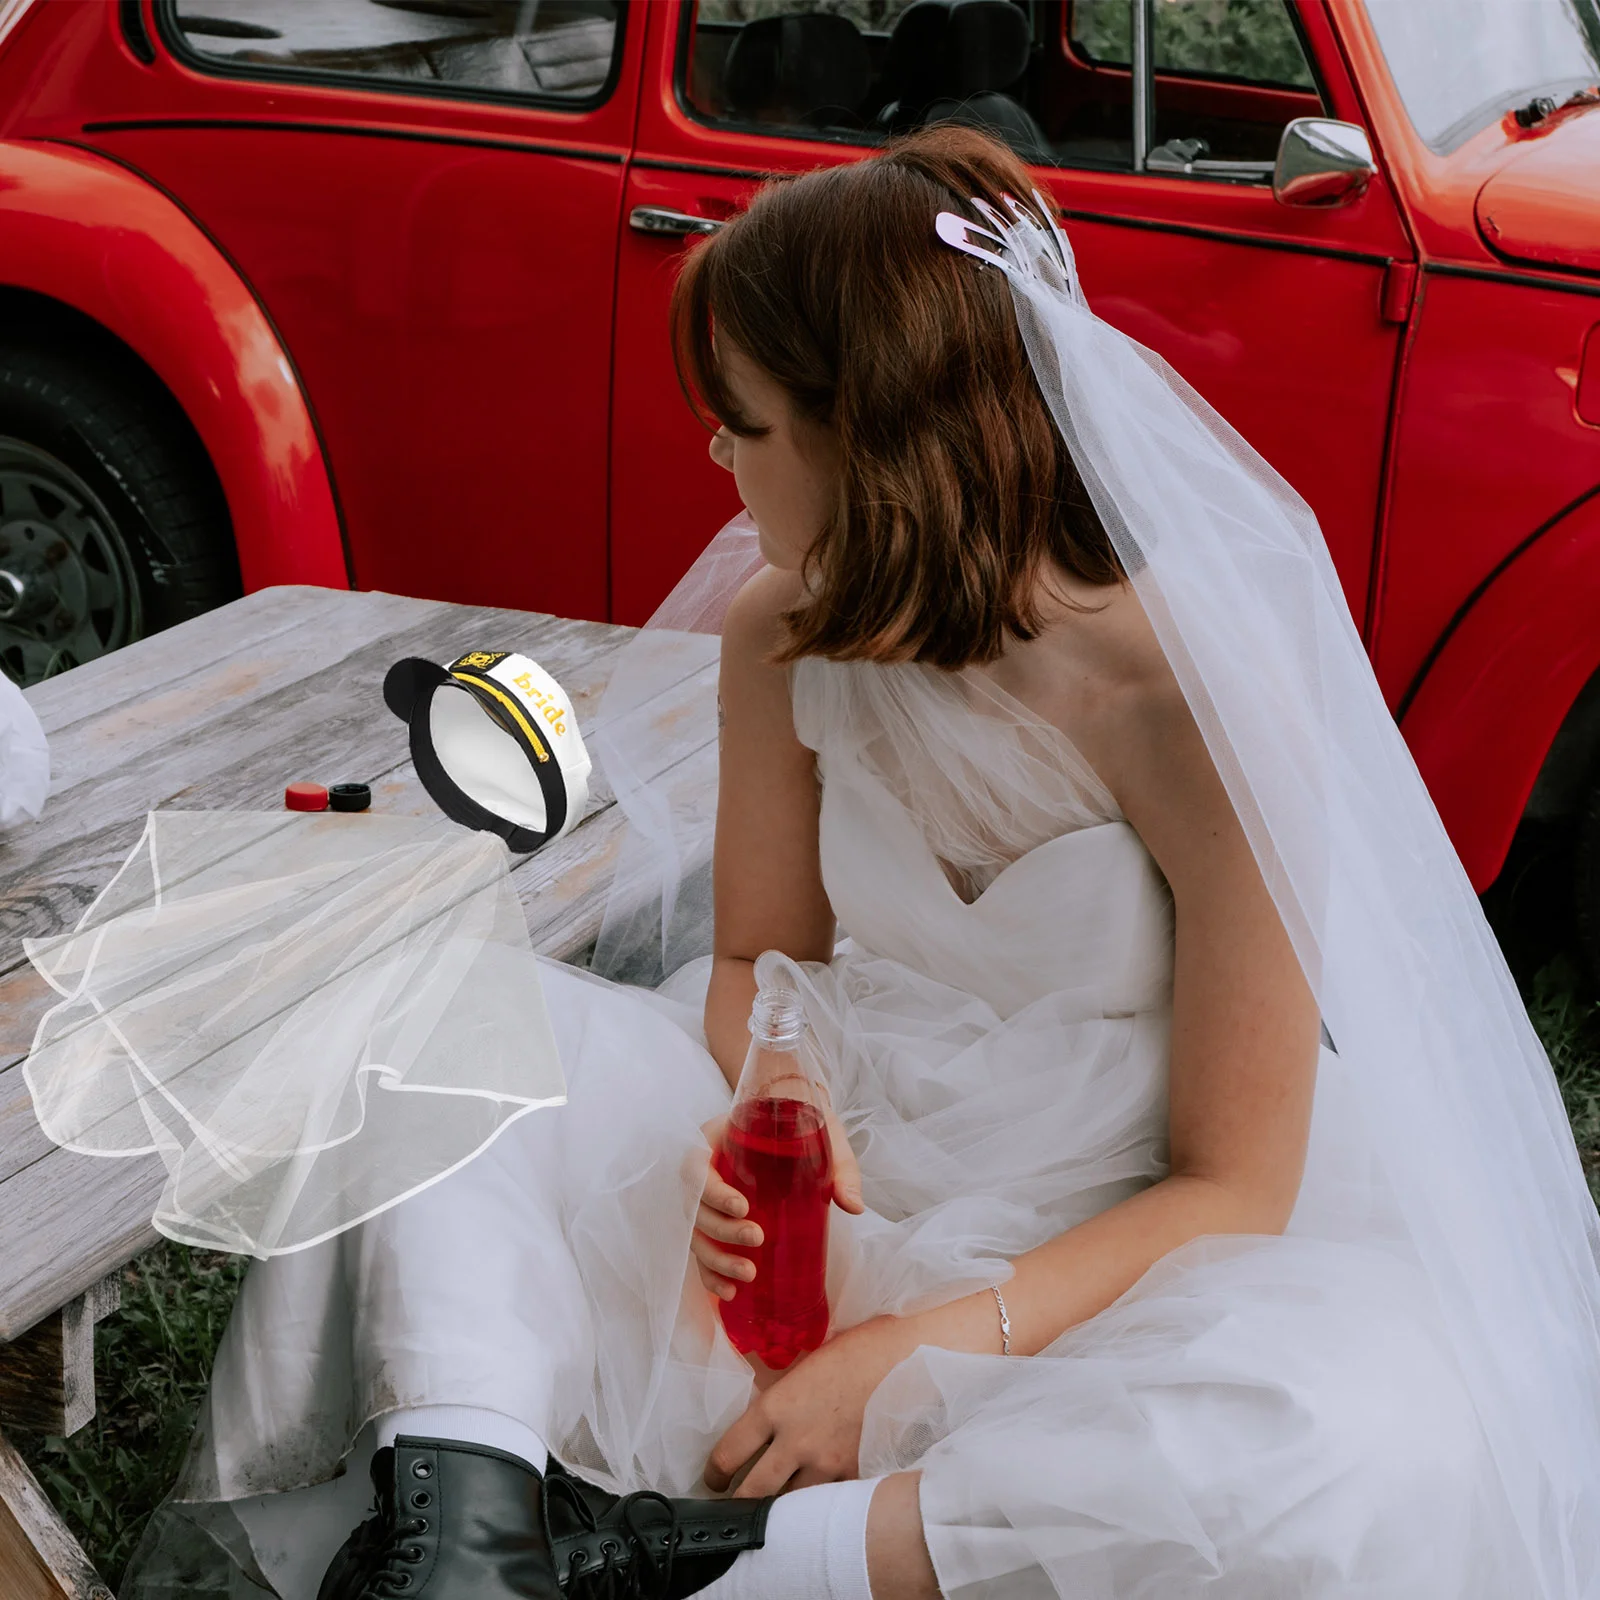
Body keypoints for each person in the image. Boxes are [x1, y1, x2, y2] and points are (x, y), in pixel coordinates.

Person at [124, 127, 1600, 1600]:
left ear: (874, 433)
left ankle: (692, 1563)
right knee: (438, 1011)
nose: (712, 449)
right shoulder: (784, 633)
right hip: (851, 1138)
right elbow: (760, 958)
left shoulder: (1194, 703)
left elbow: (1231, 1187)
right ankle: (468, 1543)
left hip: (1106, 1229)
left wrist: (911, 1350)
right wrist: (776, 1085)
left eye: (744, 419)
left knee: (1355, 1442)